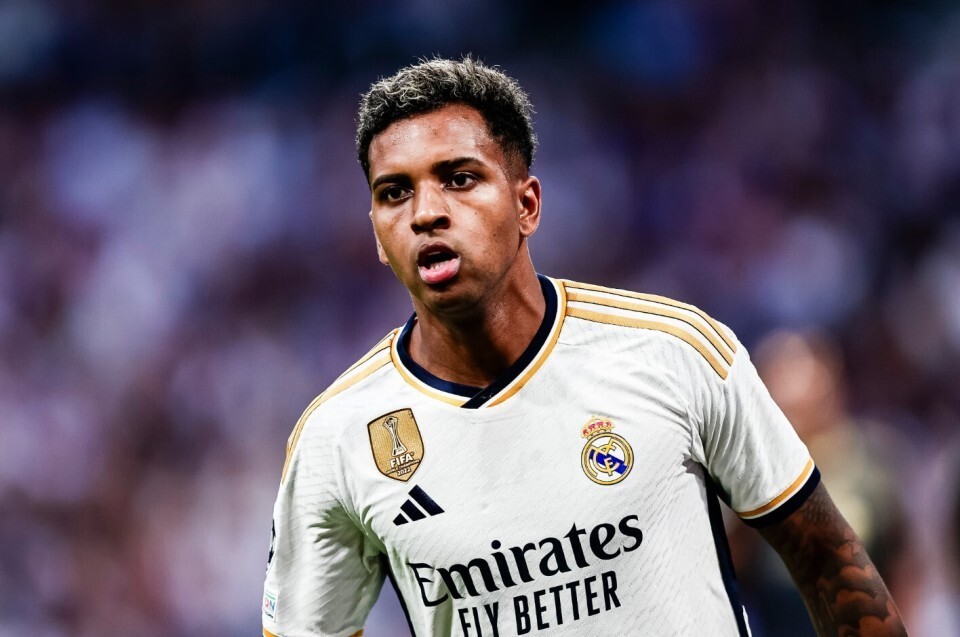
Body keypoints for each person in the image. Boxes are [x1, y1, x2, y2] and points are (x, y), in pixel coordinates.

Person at [262, 57, 907, 637]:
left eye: (458, 178)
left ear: (527, 205)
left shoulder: (674, 353)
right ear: (377, 236)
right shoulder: (335, 440)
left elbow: (829, 564)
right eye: (394, 192)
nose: (425, 212)